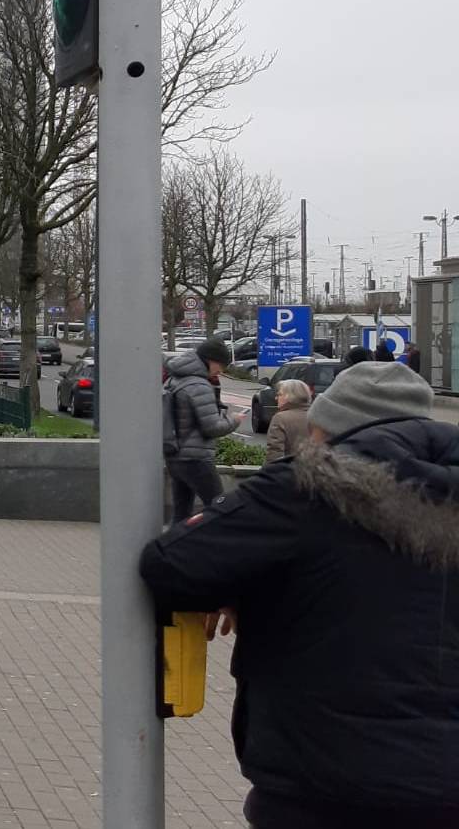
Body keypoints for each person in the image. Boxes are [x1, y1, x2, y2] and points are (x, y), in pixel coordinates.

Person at [138, 361, 459, 827]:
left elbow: (171, 562)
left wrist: (243, 587)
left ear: (330, 429)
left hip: (325, 779)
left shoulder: (302, 487)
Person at [164, 339, 237, 524]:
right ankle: (216, 550)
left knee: (181, 514)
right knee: (221, 510)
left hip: (175, 456)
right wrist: (234, 421)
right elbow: (212, 427)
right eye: (221, 365)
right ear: (210, 360)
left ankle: (174, 550)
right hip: (196, 459)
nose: (221, 370)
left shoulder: (174, 378)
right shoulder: (199, 385)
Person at [258, 377, 312, 464]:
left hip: (290, 471)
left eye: (279, 394)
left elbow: (274, 451)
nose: (276, 398)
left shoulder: (281, 418)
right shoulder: (317, 416)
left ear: (289, 396)